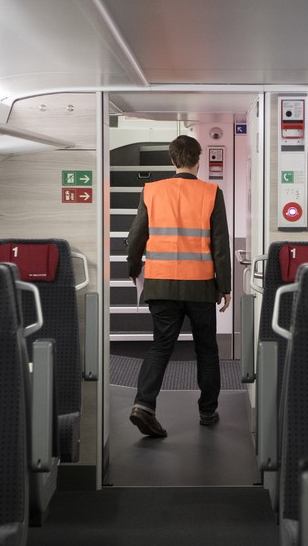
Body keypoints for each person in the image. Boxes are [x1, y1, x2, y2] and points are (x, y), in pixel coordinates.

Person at [125, 134, 232, 438]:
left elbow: (136, 237)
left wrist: (133, 269)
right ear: (198, 160)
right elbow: (221, 245)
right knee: (207, 349)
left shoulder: (152, 191)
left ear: (172, 160)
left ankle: (143, 405)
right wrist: (224, 286)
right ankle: (208, 411)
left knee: (160, 346)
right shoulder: (212, 192)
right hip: (199, 285)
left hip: (160, 283)